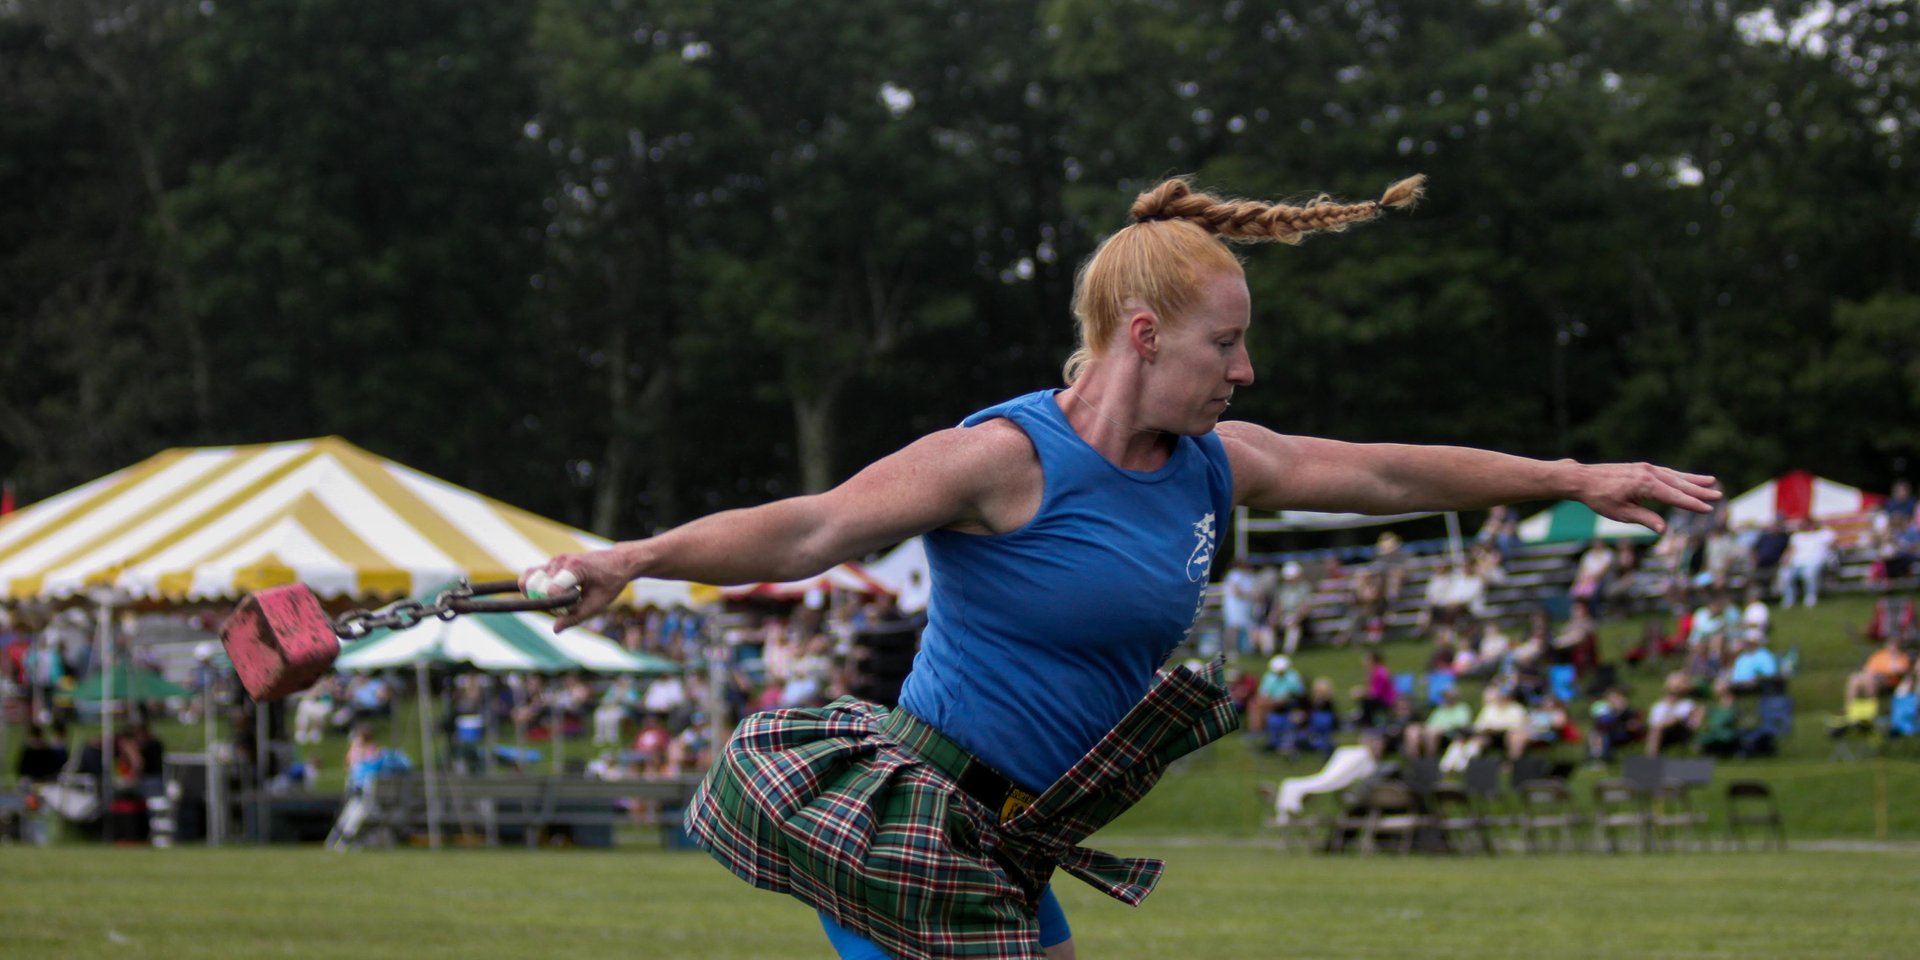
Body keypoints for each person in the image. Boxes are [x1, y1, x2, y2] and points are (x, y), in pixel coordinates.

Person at [520, 174, 1718, 960]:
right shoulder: (1001, 459)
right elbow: (810, 529)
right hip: (914, 826)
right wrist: (639, 555)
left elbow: (1389, 476)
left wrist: (1569, 477)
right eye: (1227, 343)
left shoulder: (1211, 462)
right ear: (1145, 338)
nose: (1244, 372)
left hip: (1014, 844)